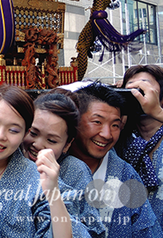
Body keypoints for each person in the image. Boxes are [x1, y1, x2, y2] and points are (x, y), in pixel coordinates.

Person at [0, 84, 73, 238]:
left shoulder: (36, 180)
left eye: (14, 130)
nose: (0, 135)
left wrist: (53, 192)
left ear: (26, 133)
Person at [69, 82, 163, 237]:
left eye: (115, 125)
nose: (107, 134)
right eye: (97, 122)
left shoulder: (125, 174)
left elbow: (146, 230)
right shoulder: (51, 167)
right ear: (75, 121)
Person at [22, 92, 105, 238]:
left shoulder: (75, 170)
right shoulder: (8, 156)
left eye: (52, 141)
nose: (38, 144)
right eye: (33, 133)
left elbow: (91, 229)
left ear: (67, 144)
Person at [119, 65, 163, 235]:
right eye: (130, 85)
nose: (134, 89)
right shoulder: (117, 136)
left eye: (143, 84)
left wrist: (157, 112)